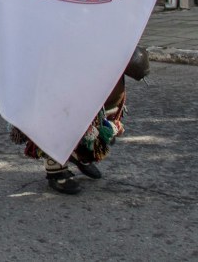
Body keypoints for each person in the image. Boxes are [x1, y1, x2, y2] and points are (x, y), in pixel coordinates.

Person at [11, 47, 149, 194]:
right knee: (59, 111)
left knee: (104, 110)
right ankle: (56, 169)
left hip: (97, 50)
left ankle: (79, 153)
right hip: (62, 53)